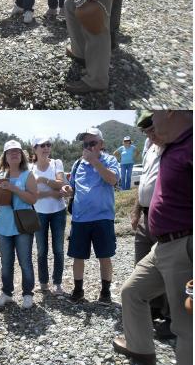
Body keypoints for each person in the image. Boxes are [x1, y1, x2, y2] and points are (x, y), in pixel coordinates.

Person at [114, 111, 191, 365]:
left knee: (187, 325)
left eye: (152, 123)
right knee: (132, 291)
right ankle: (140, 348)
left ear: (170, 111)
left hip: (185, 246)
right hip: (162, 244)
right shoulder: (170, 146)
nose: (150, 132)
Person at [129, 111, 172, 339]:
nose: (151, 135)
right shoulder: (149, 148)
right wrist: (136, 211)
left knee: (167, 265)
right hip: (146, 214)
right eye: (146, 132)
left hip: (165, 215)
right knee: (142, 263)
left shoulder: (173, 147)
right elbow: (143, 181)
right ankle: (153, 309)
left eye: (152, 130)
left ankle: (170, 318)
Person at [67, 126, 119, 302]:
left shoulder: (110, 160)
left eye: (93, 143)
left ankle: (105, 292)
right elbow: (72, 188)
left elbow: (112, 180)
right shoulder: (77, 164)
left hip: (103, 217)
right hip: (80, 218)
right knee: (78, 256)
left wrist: (95, 162)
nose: (88, 146)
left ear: (101, 144)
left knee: (104, 255)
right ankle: (78, 290)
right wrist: (66, 189)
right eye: (86, 143)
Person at [0, 140, 39, 309]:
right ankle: (6, 293)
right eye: (10, 152)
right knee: (6, 262)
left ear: (22, 156)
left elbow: (33, 199)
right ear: (5, 156)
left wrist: (14, 188)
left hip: (22, 225)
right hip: (4, 224)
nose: (14, 154)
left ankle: (28, 294)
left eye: (17, 152)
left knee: (25, 261)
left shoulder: (28, 175)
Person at [30, 136, 70, 295]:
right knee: (41, 250)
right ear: (35, 149)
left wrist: (42, 180)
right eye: (42, 145)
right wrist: (50, 192)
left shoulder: (56, 163)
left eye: (48, 144)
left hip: (58, 212)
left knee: (58, 250)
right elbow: (32, 195)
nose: (46, 148)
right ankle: (44, 283)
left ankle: (58, 284)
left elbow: (61, 183)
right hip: (39, 213)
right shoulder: (29, 168)